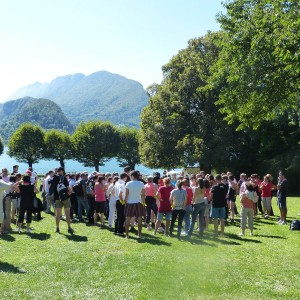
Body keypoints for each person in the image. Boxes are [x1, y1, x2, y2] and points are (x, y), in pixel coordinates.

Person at [49, 167, 74, 234]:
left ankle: (57, 228)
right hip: (65, 198)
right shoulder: (64, 178)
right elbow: (69, 189)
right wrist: (70, 192)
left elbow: (51, 188)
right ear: (62, 171)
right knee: (67, 214)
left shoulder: (54, 178)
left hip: (57, 198)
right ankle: (69, 227)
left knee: (58, 214)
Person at [124, 170, 146, 239]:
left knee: (127, 218)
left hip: (130, 202)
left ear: (132, 176)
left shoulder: (128, 184)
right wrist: (143, 202)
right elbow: (143, 195)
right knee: (139, 219)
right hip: (138, 202)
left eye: (130, 175)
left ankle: (127, 235)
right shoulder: (141, 183)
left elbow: (126, 194)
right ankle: (139, 235)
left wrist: (125, 202)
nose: (130, 177)